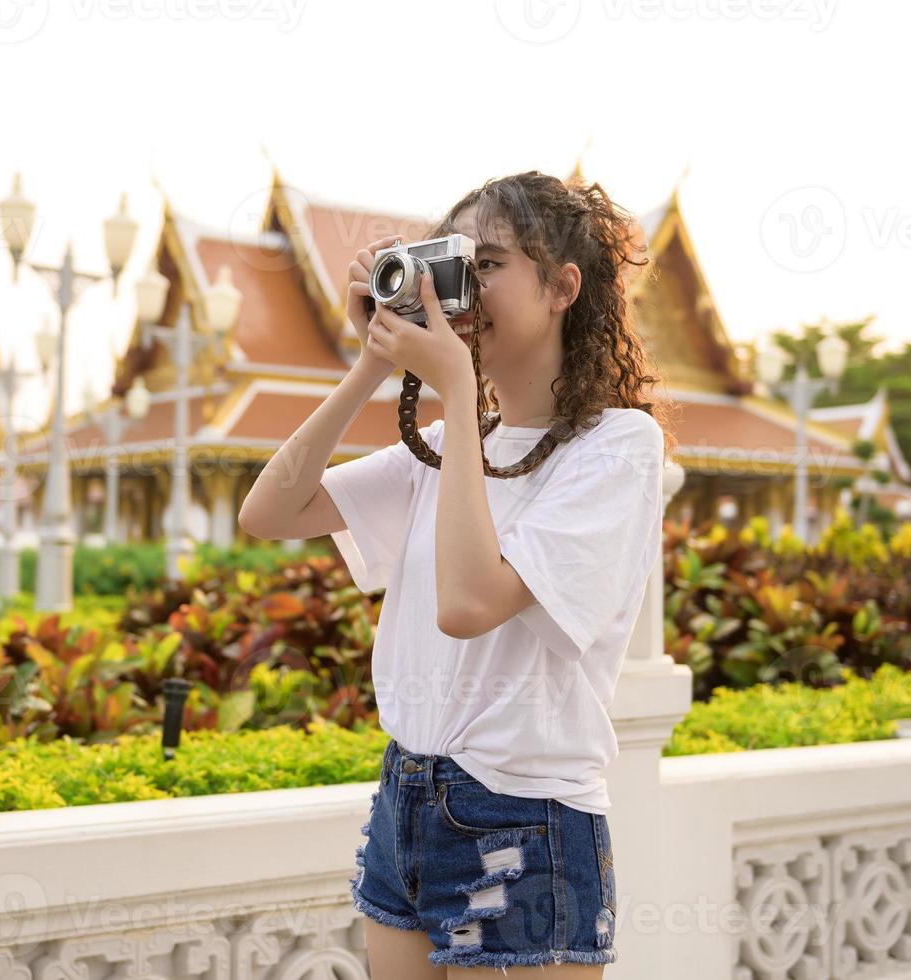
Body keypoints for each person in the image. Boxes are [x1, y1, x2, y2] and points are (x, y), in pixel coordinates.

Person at [238, 171, 676, 976]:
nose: (460, 292)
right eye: (451, 266)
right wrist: (371, 359)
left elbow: (470, 602)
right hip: (405, 795)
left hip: (523, 815)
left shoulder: (615, 448)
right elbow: (266, 513)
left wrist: (456, 388)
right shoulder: (444, 443)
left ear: (561, 287)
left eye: (488, 266)